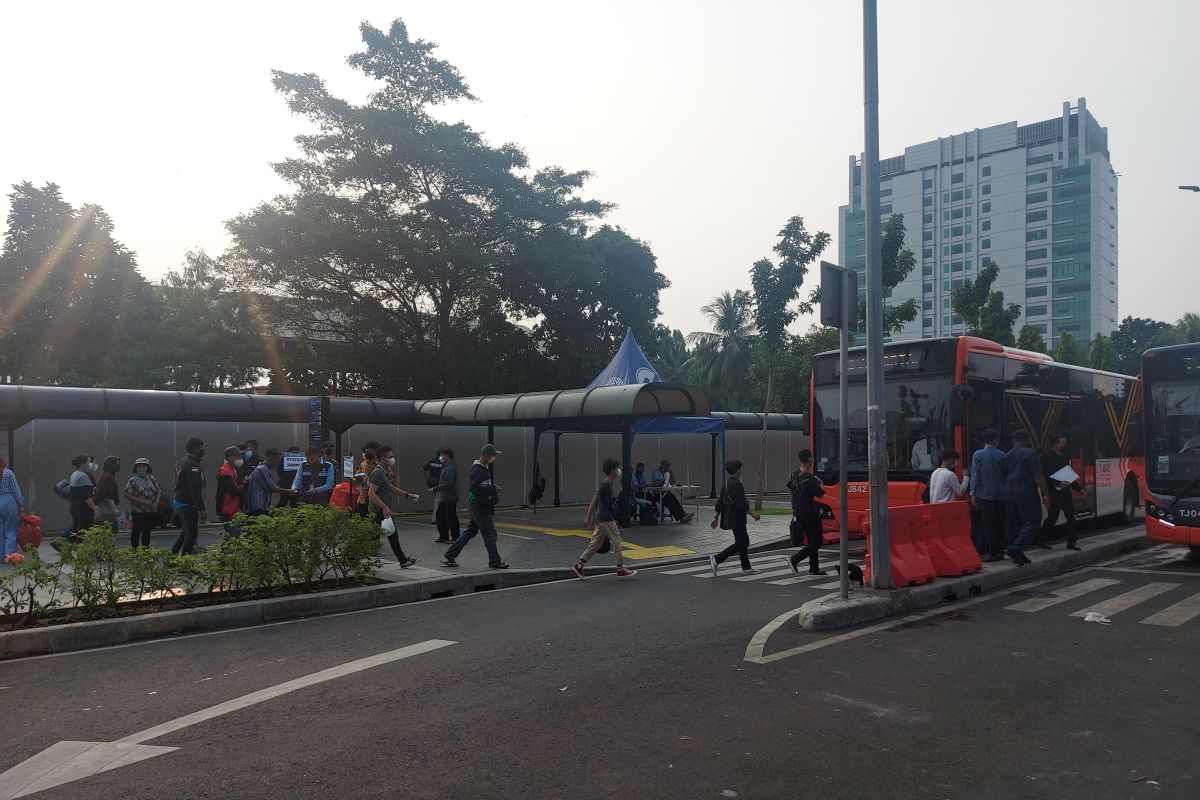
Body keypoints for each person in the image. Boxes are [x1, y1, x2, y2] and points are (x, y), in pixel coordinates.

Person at [442, 444, 509, 569]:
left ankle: (450, 555)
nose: (494, 457)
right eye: (493, 455)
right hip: (479, 506)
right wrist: (493, 488)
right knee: (490, 533)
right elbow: (474, 488)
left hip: (476, 504)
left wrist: (491, 487)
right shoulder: (478, 469)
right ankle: (494, 561)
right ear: (487, 454)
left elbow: (480, 486)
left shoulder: (483, 467)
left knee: (469, 532)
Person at [572, 458, 636, 579]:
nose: (618, 470)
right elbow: (594, 499)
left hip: (601, 519)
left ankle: (579, 565)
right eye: (617, 468)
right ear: (612, 471)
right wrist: (587, 517)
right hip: (605, 518)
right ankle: (620, 568)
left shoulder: (608, 484)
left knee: (596, 544)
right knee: (617, 541)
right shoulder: (605, 484)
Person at [1002, 429, 1050, 566]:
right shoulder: (1029, 453)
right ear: (1027, 440)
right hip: (1026, 492)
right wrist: (1046, 493)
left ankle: (1016, 553)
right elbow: (1038, 476)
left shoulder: (1007, 455)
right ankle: (1015, 548)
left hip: (1009, 493)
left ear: (1013, 440)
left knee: (1014, 523)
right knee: (1033, 522)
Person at [366, 444, 420, 568]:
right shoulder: (378, 473)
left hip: (381, 509)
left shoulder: (384, 471)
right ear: (383, 458)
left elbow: (390, 488)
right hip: (378, 510)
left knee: (377, 536)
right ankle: (402, 560)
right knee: (388, 535)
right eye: (390, 456)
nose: (392, 458)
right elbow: (371, 493)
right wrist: (384, 507)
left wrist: (408, 495)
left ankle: (403, 560)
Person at [708, 459, 760, 576]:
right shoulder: (737, 485)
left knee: (742, 542)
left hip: (730, 518)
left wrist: (715, 517)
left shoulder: (726, 485)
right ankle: (717, 558)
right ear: (737, 471)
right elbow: (741, 504)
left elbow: (720, 503)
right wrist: (753, 514)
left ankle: (746, 568)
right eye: (740, 469)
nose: (741, 471)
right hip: (738, 518)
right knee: (742, 542)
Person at [785, 449, 827, 576]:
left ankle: (814, 569)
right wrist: (821, 483)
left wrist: (793, 508)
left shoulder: (794, 474)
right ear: (809, 460)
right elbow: (820, 494)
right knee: (817, 541)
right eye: (812, 458)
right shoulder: (809, 478)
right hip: (810, 512)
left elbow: (791, 491)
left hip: (798, 512)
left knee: (812, 541)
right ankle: (795, 559)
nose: (813, 460)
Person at [969, 429, 1008, 562]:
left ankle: (991, 551)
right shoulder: (1002, 455)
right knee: (1000, 523)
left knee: (988, 524)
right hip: (1001, 495)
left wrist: (973, 494)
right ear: (995, 439)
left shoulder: (977, 455)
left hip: (984, 495)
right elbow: (1006, 474)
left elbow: (975, 476)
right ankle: (1000, 550)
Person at [1038, 434, 1081, 551]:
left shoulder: (1064, 457)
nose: (1064, 445)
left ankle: (1072, 541)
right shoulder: (1046, 458)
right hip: (1053, 491)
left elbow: (1069, 474)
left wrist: (1078, 488)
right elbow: (1044, 477)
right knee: (1053, 516)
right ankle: (1042, 539)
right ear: (1054, 445)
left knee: (1071, 516)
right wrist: (1057, 483)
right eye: (1062, 443)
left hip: (1065, 491)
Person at [172, 436, 208, 555]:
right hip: (188, 503)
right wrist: (201, 508)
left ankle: (172, 557)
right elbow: (194, 489)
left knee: (186, 531)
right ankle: (184, 563)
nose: (203, 450)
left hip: (181, 501)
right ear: (195, 449)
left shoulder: (182, 461)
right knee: (191, 533)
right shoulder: (192, 465)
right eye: (201, 448)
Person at [123, 458, 161, 548]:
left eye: (143, 466)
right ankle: (135, 550)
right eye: (139, 466)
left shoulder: (152, 478)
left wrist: (156, 503)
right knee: (136, 531)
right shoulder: (132, 480)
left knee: (147, 531)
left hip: (150, 510)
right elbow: (127, 494)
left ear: (147, 468)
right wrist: (143, 502)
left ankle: (145, 549)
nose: (141, 468)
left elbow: (158, 491)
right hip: (138, 511)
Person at [245, 448, 294, 515]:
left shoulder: (260, 467)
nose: (277, 464)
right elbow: (271, 487)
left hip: (259, 507)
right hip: (258, 508)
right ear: (271, 458)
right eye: (276, 462)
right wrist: (288, 491)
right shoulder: (262, 469)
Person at [64, 454, 100, 544]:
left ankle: (70, 550)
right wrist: (95, 509)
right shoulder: (83, 477)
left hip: (75, 508)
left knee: (76, 533)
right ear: (83, 464)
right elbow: (87, 497)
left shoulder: (74, 474)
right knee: (83, 535)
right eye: (89, 462)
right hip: (84, 511)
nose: (90, 464)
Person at [651, 459, 695, 524]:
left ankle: (683, 515)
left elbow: (673, 482)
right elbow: (657, 483)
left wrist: (671, 475)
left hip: (666, 492)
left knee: (674, 499)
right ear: (662, 465)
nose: (668, 467)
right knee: (670, 501)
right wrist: (666, 478)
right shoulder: (656, 472)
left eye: (669, 466)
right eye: (667, 466)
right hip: (658, 493)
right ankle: (680, 518)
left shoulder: (667, 472)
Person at [431, 448, 460, 544]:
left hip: (450, 496)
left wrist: (435, 488)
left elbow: (448, 483)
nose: (441, 457)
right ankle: (444, 536)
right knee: (440, 515)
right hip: (445, 496)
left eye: (442, 454)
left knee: (451, 517)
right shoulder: (446, 466)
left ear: (447, 455)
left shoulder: (451, 468)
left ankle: (455, 537)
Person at [0, 456, 25, 558]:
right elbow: (15, 490)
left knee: (0, 530)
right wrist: (21, 504)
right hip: (8, 502)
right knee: (11, 530)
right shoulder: (8, 473)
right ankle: (10, 556)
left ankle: (1, 556)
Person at [92, 456, 122, 538]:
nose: (118, 466)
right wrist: (113, 509)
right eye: (116, 464)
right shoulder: (108, 478)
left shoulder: (105, 476)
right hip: (107, 514)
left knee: (100, 538)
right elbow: (108, 495)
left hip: (102, 513)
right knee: (109, 538)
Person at [216, 446, 247, 521]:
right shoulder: (225, 472)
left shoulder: (233, 469)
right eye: (237, 456)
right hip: (227, 511)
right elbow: (234, 491)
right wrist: (243, 484)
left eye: (240, 456)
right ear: (229, 457)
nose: (240, 458)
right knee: (235, 533)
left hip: (233, 510)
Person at [422, 451, 445, 525]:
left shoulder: (432, 461)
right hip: (439, 483)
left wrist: (427, 479)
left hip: (432, 482)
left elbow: (422, 469)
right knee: (438, 500)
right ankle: (435, 519)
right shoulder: (443, 461)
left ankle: (437, 517)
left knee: (437, 500)